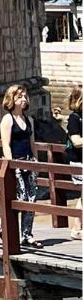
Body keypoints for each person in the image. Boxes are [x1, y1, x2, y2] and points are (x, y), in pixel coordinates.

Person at [0, 83, 40, 248]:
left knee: (31, 200)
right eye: (19, 96)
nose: (23, 99)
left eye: (25, 96)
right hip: (16, 163)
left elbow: (32, 143)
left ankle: (27, 234)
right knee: (20, 198)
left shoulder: (29, 120)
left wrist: (36, 161)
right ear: (12, 99)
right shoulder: (7, 119)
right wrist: (12, 165)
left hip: (29, 162)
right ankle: (8, 229)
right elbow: (5, 144)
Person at [66, 87, 82, 230]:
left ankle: (77, 228)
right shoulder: (74, 118)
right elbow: (76, 141)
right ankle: (77, 228)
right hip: (78, 161)